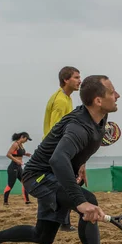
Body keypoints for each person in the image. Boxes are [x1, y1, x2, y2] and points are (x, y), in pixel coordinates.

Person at [0, 75, 120, 244]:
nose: (117, 95)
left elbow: (77, 149)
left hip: (54, 177)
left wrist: (81, 164)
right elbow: (58, 160)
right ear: (98, 101)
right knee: (88, 201)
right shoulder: (78, 127)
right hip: (38, 177)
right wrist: (79, 201)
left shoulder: (99, 118)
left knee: (43, 236)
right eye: (112, 92)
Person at [43, 66, 82, 231]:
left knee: (66, 184)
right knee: (66, 185)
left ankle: (62, 222)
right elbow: (55, 130)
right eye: (76, 77)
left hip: (58, 150)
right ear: (66, 80)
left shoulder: (67, 98)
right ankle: (62, 223)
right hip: (54, 151)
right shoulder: (60, 100)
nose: (80, 80)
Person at [4, 132, 33, 205]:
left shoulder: (21, 145)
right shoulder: (15, 144)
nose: (26, 141)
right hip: (13, 167)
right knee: (10, 185)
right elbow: (8, 154)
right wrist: (17, 161)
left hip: (19, 167)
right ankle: (5, 202)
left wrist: (25, 154)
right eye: (26, 139)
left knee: (25, 182)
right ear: (22, 137)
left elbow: (18, 153)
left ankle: (27, 201)